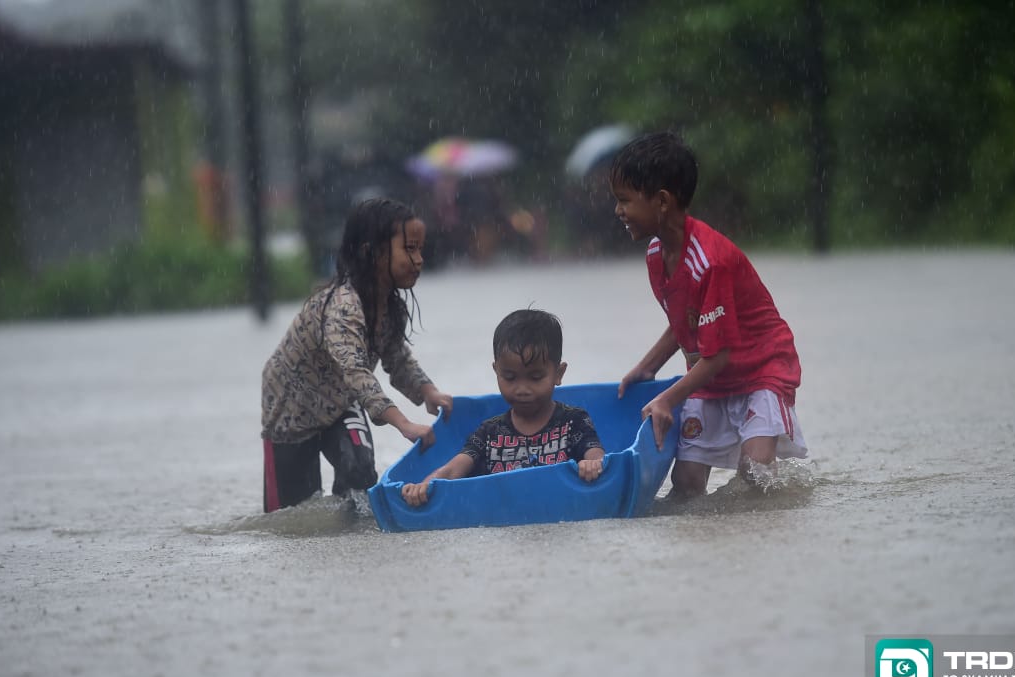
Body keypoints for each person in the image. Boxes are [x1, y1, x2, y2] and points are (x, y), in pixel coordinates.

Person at [611, 132, 808, 499]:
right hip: (712, 373)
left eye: (624, 201)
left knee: (756, 475)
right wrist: (648, 366)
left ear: (663, 201)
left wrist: (668, 399)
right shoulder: (657, 254)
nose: (618, 211)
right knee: (685, 484)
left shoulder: (710, 261)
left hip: (761, 367)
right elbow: (686, 319)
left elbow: (718, 355)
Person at [261, 198, 453, 512]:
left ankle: (352, 536)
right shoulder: (342, 306)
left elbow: (397, 357)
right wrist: (403, 423)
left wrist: (428, 391)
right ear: (371, 251)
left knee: (361, 475)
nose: (419, 260)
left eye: (420, 249)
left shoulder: (389, 306)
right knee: (293, 517)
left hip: (340, 402)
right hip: (290, 411)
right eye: (409, 249)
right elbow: (356, 371)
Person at [401, 309, 606, 507]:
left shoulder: (574, 421)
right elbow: (453, 469)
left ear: (558, 374)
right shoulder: (489, 433)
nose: (522, 389)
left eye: (535, 377)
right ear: (496, 371)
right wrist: (425, 485)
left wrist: (592, 464)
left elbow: (596, 454)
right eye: (509, 377)